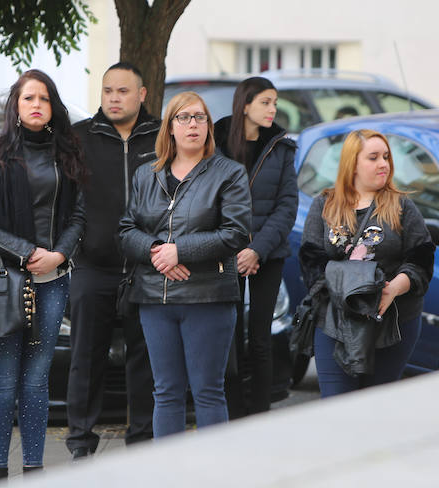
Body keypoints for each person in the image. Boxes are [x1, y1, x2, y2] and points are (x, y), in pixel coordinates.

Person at [0, 69, 85, 482]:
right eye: (29, 98)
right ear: (16, 106)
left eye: (44, 98)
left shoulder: (66, 153)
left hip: (52, 281)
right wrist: (27, 251)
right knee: (2, 380)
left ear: (53, 107)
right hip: (3, 281)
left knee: (36, 380)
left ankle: (34, 471)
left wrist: (58, 255)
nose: (36, 105)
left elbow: (79, 216)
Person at [117, 92, 251, 437]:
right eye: (183, 117)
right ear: (170, 128)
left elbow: (236, 233)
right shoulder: (147, 174)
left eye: (200, 117)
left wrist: (181, 251)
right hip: (154, 298)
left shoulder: (229, 173)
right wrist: (158, 251)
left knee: (207, 392)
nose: (193, 124)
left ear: (208, 126)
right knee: (166, 393)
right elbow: (126, 230)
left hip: (207, 296)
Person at [66, 62, 157, 459]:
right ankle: (81, 443)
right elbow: (66, 201)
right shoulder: (80, 137)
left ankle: (142, 440)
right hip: (93, 265)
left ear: (142, 95)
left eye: (123, 91)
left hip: (147, 266)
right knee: (86, 357)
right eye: (108, 91)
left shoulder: (162, 135)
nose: (114, 98)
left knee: (146, 359)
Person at [299, 129, 433, 397]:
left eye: (386, 157)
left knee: (377, 407)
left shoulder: (402, 207)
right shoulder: (324, 205)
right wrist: (349, 291)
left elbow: (422, 259)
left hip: (393, 321)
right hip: (335, 321)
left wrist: (393, 288)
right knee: (337, 407)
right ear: (353, 164)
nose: (383, 164)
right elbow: (311, 261)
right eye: (373, 157)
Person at [213, 77, 297, 418]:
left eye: (275, 103)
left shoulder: (281, 147)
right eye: (265, 102)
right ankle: (232, 415)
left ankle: (260, 415)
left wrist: (257, 250)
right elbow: (210, 202)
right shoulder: (216, 142)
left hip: (268, 255)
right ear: (245, 105)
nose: (272, 109)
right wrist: (235, 248)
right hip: (225, 253)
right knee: (229, 337)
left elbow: (287, 205)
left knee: (260, 337)